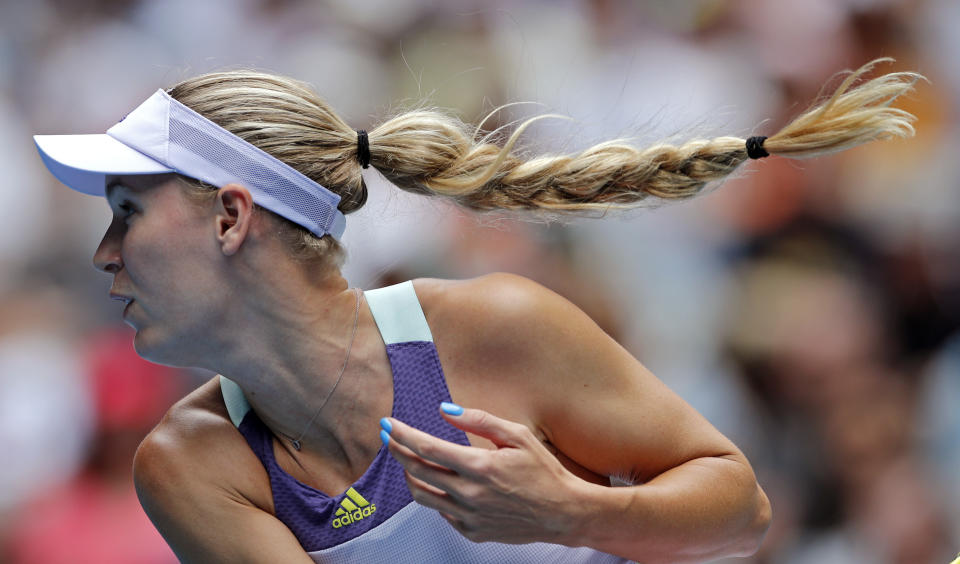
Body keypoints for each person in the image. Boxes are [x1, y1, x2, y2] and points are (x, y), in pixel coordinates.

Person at [33, 59, 920, 563]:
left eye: (128, 212)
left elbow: (740, 508)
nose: (105, 253)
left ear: (233, 217)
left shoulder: (496, 327)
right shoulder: (189, 465)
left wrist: (572, 512)